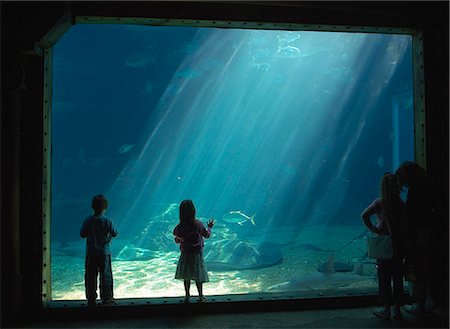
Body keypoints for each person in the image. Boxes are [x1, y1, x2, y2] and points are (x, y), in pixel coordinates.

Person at [361, 173, 407, 320]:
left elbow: (364, 215)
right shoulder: (402, 204)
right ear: (398, 187)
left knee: (384, 278)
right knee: (398, 278)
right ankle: (398, 311)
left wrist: (374, 229)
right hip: (399, 245)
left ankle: (386, 310)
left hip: (384, 246)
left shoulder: (379, 202)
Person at [395, 161, 437, 317]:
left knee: (419, 266)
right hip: (429, 229)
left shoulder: (416, 189)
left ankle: (421, 304)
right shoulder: (427, 185)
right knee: (427, 263)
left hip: (419, 232)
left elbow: (413, 214)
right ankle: (431, 298)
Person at [80, 194, 119, 306]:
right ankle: (107, 299)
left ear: (92, 207)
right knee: (106, 276)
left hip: (91, 253)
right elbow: (115, 233)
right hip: (104, 253)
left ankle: (91, 299)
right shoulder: (107, 221)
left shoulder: (88, 220)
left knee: (90, 276)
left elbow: (82, 234)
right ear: (105, 207)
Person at [173, 200, 215, 303]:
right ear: (193, 211)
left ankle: (187, 296)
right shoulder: (198, 224)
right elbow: (207, 235)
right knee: (198, 276)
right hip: (196, 255)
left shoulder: (180, 227)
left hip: (185, 254)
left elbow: (177, 238)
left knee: (186, 276)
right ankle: (201, 297)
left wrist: (179, 239)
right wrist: (209, 227)